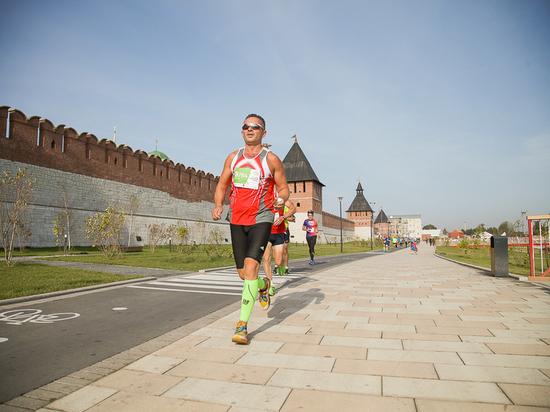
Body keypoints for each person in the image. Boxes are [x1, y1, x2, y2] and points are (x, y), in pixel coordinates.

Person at [212, 114, 289, 345]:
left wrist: (281, 200)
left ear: (263, 133)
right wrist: (218, 205)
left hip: (261, 218)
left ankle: (242, 325)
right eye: (246, 126)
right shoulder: (233, 158)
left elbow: (283, 188)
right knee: (244, 275)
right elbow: (221, 185)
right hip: (236, 219)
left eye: (256, 127)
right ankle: (264, 286)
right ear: (242, 131)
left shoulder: (271, 159)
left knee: (251, 266)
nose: (250, 129)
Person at [263, 195, 296, 295]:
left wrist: (283, 217)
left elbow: (293, 209)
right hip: (266, 232)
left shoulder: (281, 199)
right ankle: (271, 285)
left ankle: (281, 265)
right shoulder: (264, 197)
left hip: (279, 233)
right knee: (266, 258)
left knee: (278, 261)